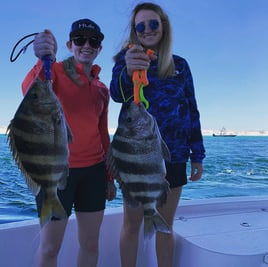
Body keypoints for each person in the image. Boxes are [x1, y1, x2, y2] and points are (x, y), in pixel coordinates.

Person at [109, 3, 205, 267]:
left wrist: (197, 155)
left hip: (173, 155)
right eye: (141, 26)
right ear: (134, 31)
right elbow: (117, 94)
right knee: (131, 223)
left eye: (154, 24)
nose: (148, 30)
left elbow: (192, 111)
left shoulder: (180, 66)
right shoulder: (125, 60)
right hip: (134, 156)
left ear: (163, 26)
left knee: (165, 224)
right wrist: (128, 71)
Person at [22, 18, 116, 267]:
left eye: (93, 41)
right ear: (69, 44)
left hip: (94, 173)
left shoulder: (101, 89)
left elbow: (102, 134)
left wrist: (109, 177)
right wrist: (44, 58)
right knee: (50, 247)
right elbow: (28, 88)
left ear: (99, 48)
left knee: (90, 245)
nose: (87, 45)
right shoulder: (54, 72)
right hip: (52, 171)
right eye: (80, 40)